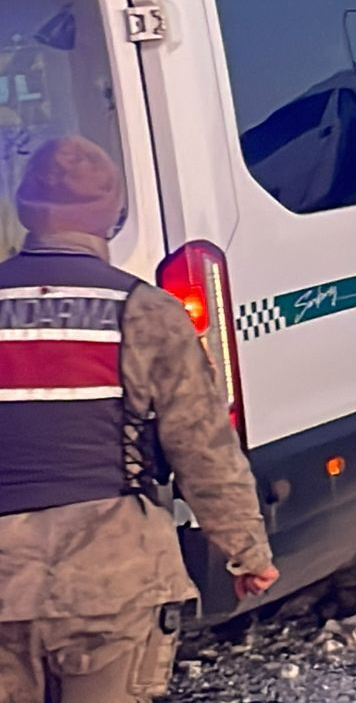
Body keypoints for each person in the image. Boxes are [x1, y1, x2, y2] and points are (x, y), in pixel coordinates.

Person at [0, 136, 279, 703]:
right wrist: (245, 551)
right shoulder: (146, 311)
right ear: (112, 215)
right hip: (111, 580)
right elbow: (202, 449)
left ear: (25, 208)